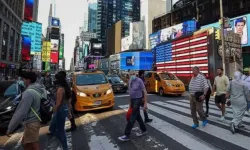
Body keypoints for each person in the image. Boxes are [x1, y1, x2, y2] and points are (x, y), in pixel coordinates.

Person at [7, 71, 46, 150]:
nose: (22, 81)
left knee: (34, 145)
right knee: (26, 144)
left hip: (31, 123)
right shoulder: (39, 89)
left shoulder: (28, 93)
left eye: (24, 79)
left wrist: (10, 128)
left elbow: (21, 112)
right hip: (36, 121)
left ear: (28, 80)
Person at [118, 71, 147, 141]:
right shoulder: (130, 81)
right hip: (133, 100)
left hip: (138, 100)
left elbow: (145, 91)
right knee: (138, 116)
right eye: (130, 74)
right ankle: (144, 130)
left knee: (132, 117)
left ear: (136, 74)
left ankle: (127, 134)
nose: (132, 75)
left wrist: (145, 103)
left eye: (133, 74)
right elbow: (131, 93)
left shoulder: (139, 81)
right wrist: (130, 103)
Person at [48, 72, 72, 150]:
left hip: (60, 110)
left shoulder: (60, 90)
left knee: (60, 131)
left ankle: (65, 147)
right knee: (53, 128)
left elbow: (58, 104)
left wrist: (53, 112)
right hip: (64, 109)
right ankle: (62, 142)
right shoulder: (66, 88)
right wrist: (68, 112)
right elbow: (68, 102)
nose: (55, 80)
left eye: (56, 79)